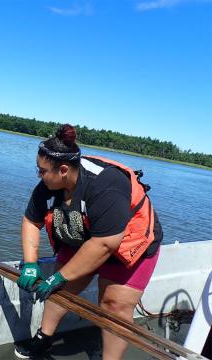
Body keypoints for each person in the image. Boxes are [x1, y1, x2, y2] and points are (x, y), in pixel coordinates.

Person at [15, 124, 163, 359]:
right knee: (60, 290)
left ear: (63, 169)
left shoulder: (105, 184)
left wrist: (57, 276)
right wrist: (31, 264)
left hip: (126, 243)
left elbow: (105, 243)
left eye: (42, 170)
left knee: (113, 305)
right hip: (85, 234)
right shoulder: (48, 186)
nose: (38, 175)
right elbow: (31, 221)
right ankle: (43, 339)